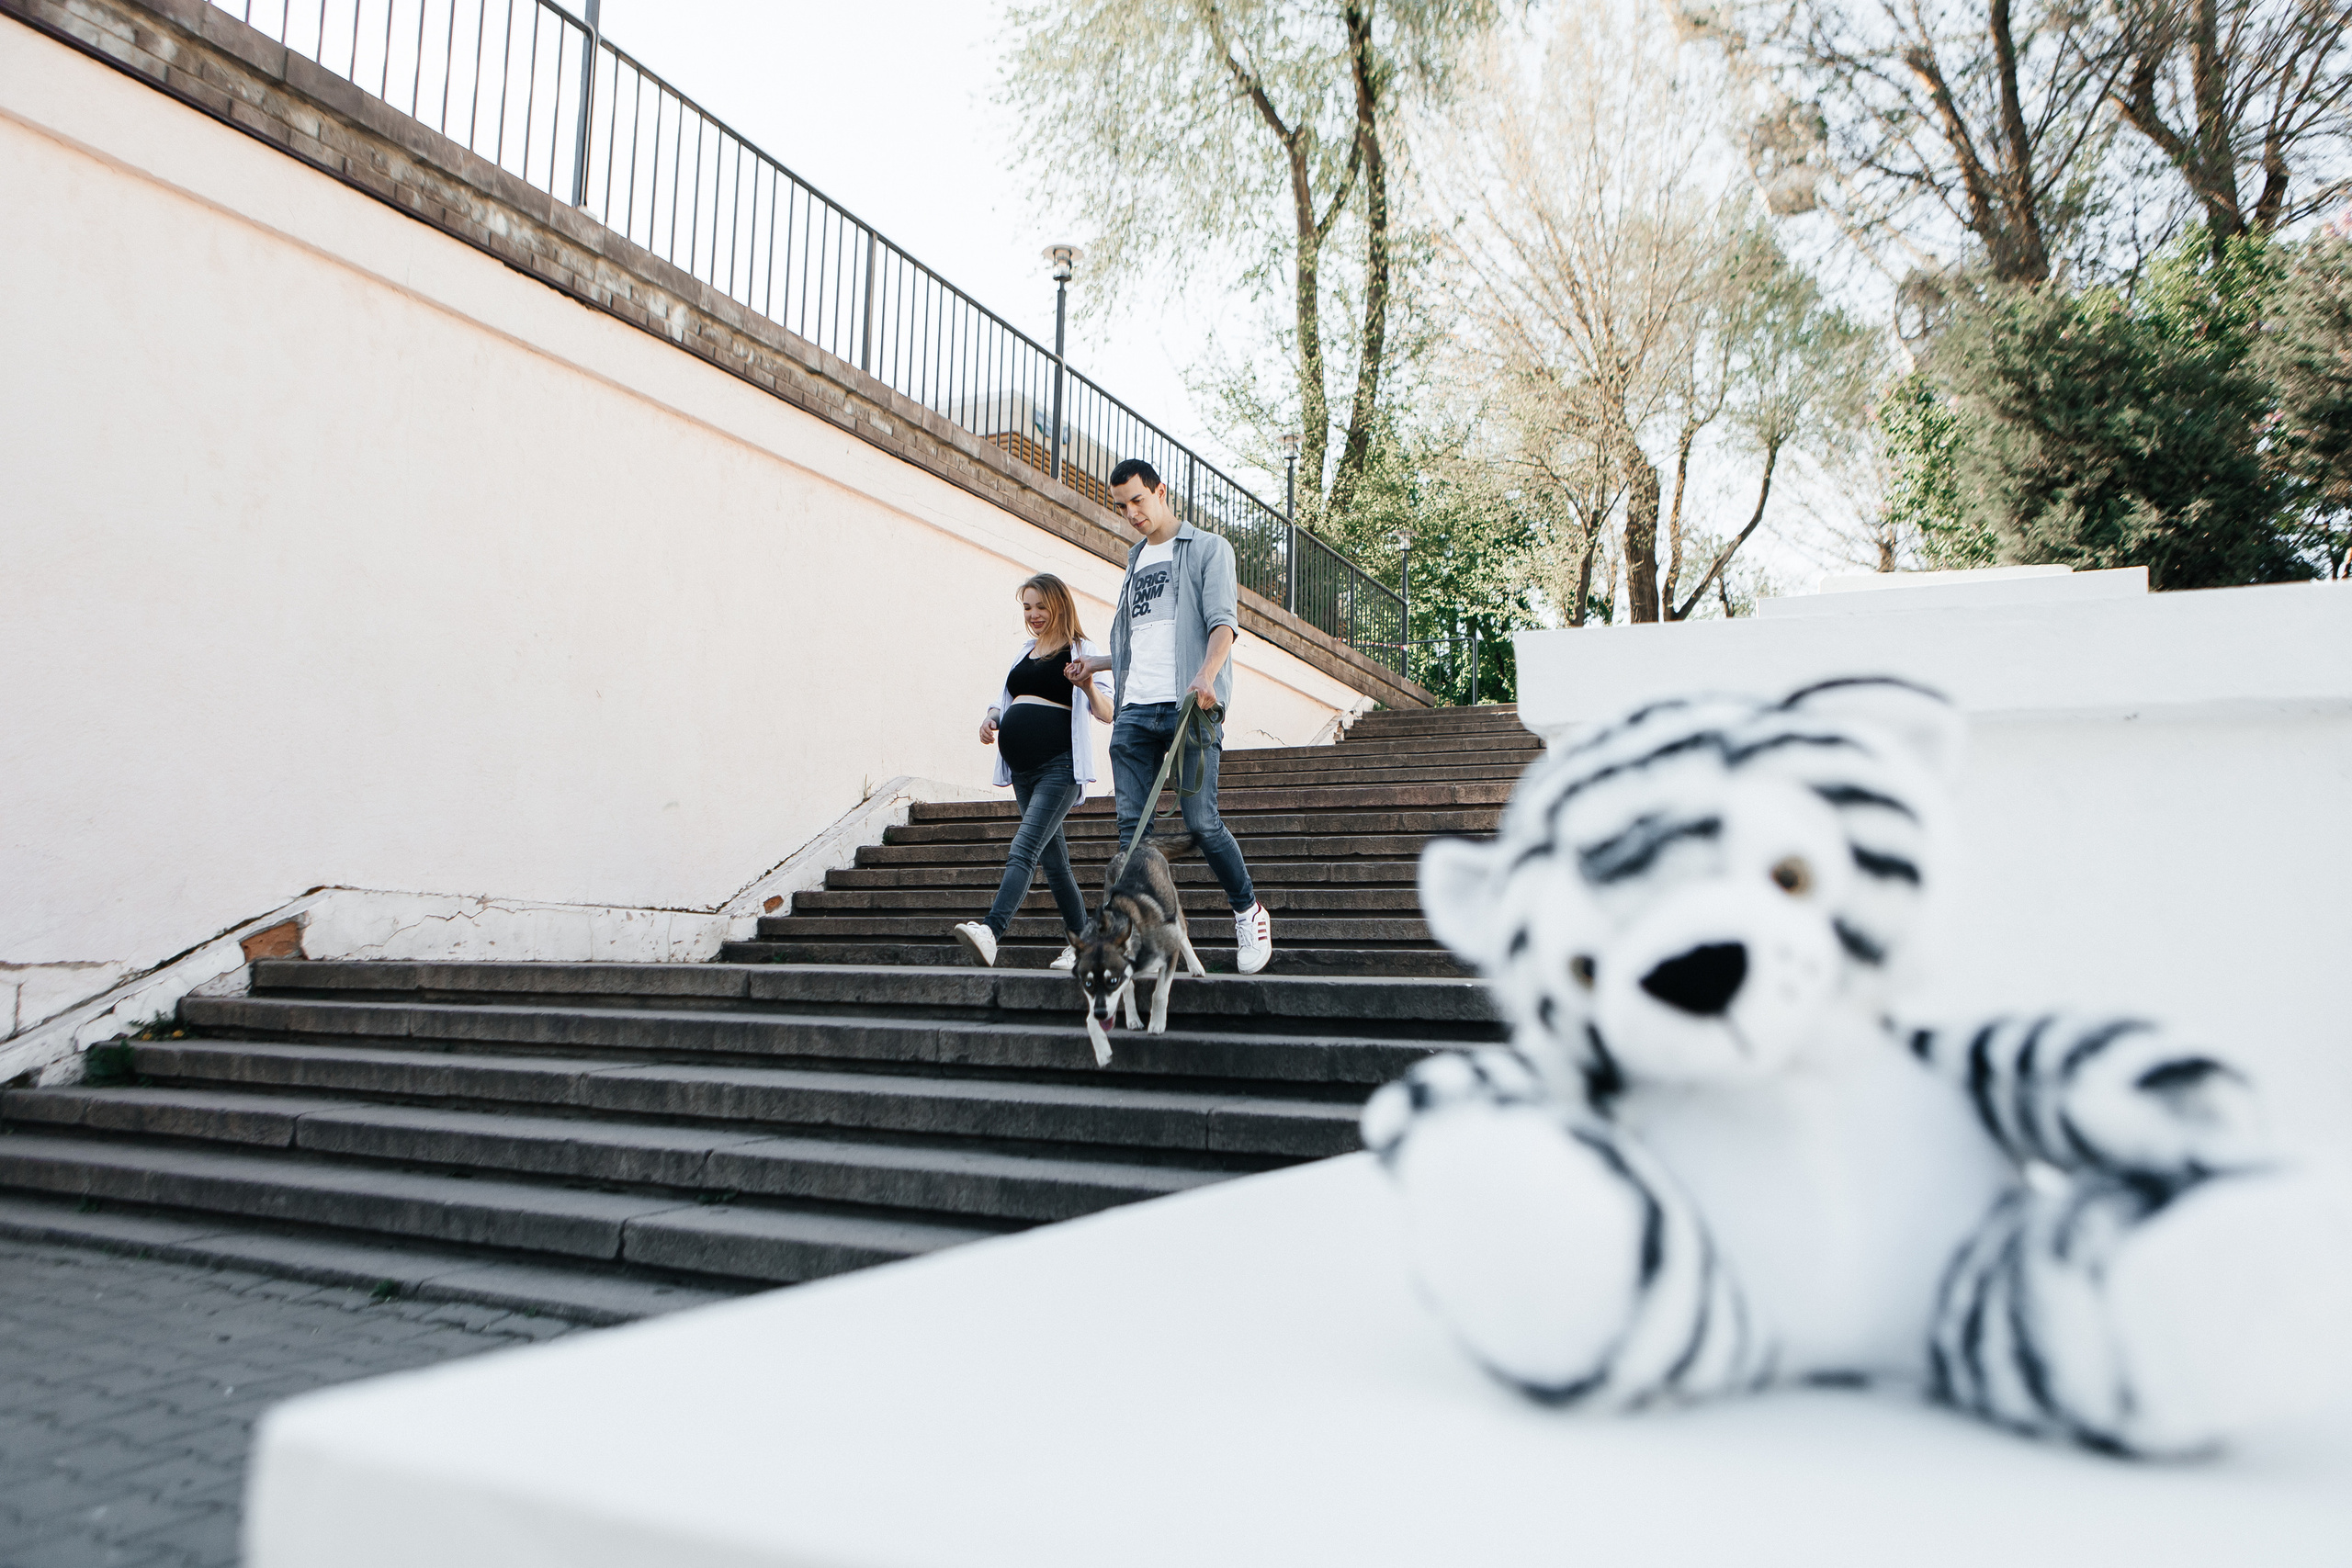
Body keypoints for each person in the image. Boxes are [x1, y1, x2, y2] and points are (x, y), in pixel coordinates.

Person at [1066, 458, 1273, 976]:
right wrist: (1099, 662)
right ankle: (1121, 940)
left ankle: (1249, 912)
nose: (1131, 513)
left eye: (1138, 500)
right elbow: (1144, 640)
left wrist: (1207, 676)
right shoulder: (1135, 559)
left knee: (1201, 822)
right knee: (1132, 837)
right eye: (1122, 506)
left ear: (1161, 491)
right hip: (1134, 709)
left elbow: (1222, 625)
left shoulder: (1208, 548)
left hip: (1188, 707)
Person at [951, 574, 1114, 970]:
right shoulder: (1025, 652)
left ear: (1058, 604)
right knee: (1055, 863)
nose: (1034, 615)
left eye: (1040, 606)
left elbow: (1107, 711)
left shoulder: (1082, 650)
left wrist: (1088, 684)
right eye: (1027, 607)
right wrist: (992, 717)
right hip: (1023, 772)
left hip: (1059, 768)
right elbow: (1005, 698)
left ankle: (992, 930)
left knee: (1024, 848)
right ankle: (1085, 944)